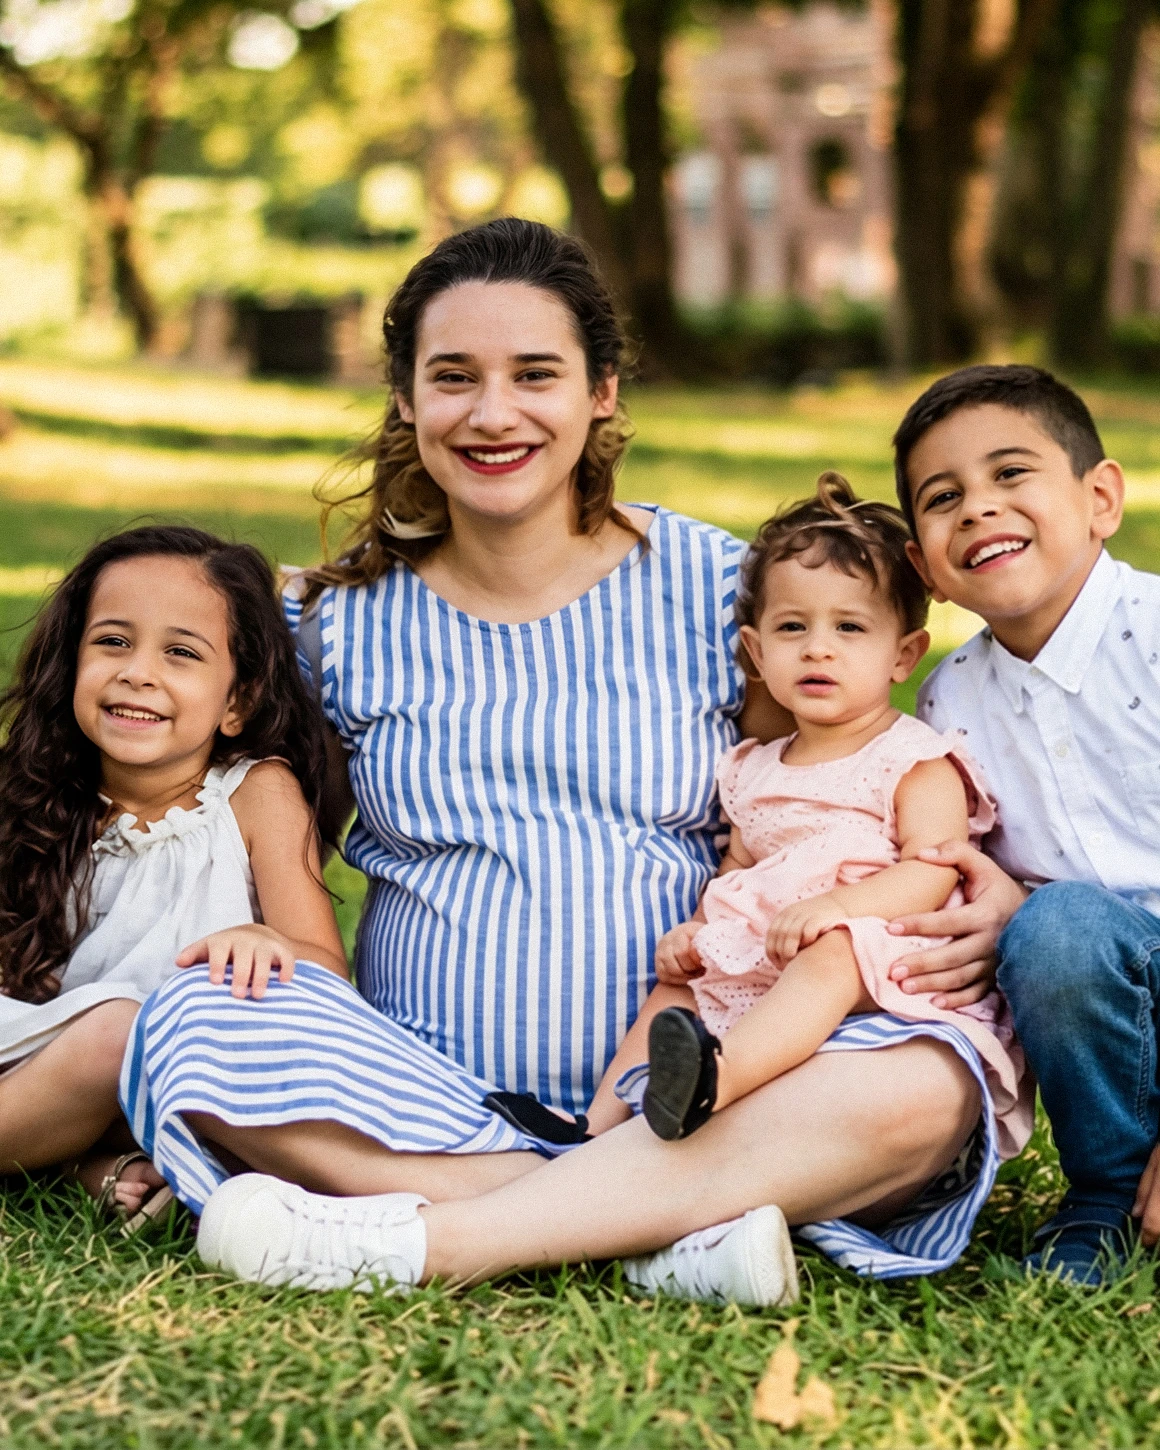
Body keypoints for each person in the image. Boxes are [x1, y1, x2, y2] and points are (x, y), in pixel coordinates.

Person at [124, 219, 1000, 1301]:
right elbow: (209, 806)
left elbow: (854, 760)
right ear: (405, 398)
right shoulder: (331, 620)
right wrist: (252, 923)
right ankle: (641, 1223)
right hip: (423, 1097)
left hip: (708, 1083)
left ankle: (434, 1240)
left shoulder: (717, 588)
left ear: (600, 393)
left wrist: (978, 875)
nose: (493, 414)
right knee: (188, 1014)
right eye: (454, 377)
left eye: (534, 374)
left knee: (925, 1089)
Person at [494, 474, 1029, 1157]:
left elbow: (932, 872)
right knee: (680, 984)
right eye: (792, 628)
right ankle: (593, 1125)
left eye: (849, 628)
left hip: (879, 947)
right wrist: (696, 929)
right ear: (755, 650)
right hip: (773, 941)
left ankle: (716, 1078)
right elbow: (740, 863)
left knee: (832, 957)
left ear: (903, 655)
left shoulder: (916, 758)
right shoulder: (754, 765)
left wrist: (840, 908)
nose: (817, 647)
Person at [889, 363, 1160, 1284]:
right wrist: (1002, 895)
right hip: (1104, 997)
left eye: (1011, 474)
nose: (978, 508)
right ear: (924, 569)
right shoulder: (949, 703)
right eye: (943, 497)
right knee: (1055, 931)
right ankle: (1105, 1192)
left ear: (1100, 498)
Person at [0, 525, 346, 1225]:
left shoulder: (255, 794)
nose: (137, 672)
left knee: (130, 1031)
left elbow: (326, 973)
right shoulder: (37, 791)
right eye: (112, 642)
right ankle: (76, 1162)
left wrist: (262, 940)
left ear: (236, 703)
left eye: (181, 653)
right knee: (110, 1034)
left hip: (166, 1066)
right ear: (71, 663)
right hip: (39, 1056)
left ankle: (75, 1159)